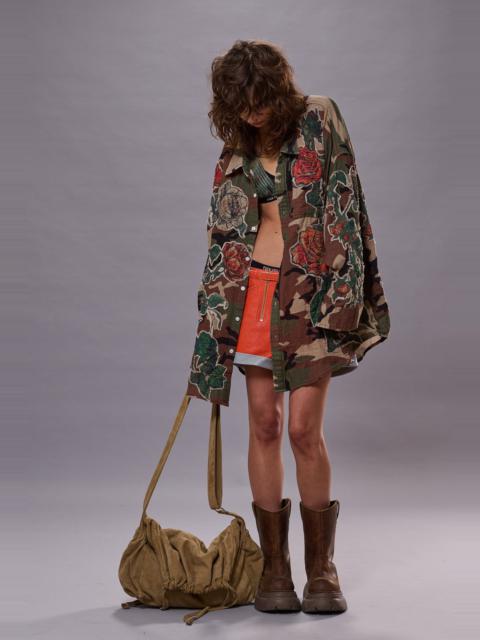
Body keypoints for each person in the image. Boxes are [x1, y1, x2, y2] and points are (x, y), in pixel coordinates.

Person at [186, 39, 390, 615]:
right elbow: (221, 237)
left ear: (278, 90)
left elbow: (347, 205)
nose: (253, 113)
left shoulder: (320, 119)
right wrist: (213, 317)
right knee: (264, 424)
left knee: (303, 430)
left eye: (259, 100)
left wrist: (343, 295)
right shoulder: (234, 152)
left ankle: (321, 568)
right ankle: (275, 568)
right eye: (241, 104)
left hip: (312, 294)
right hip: (251, 294)